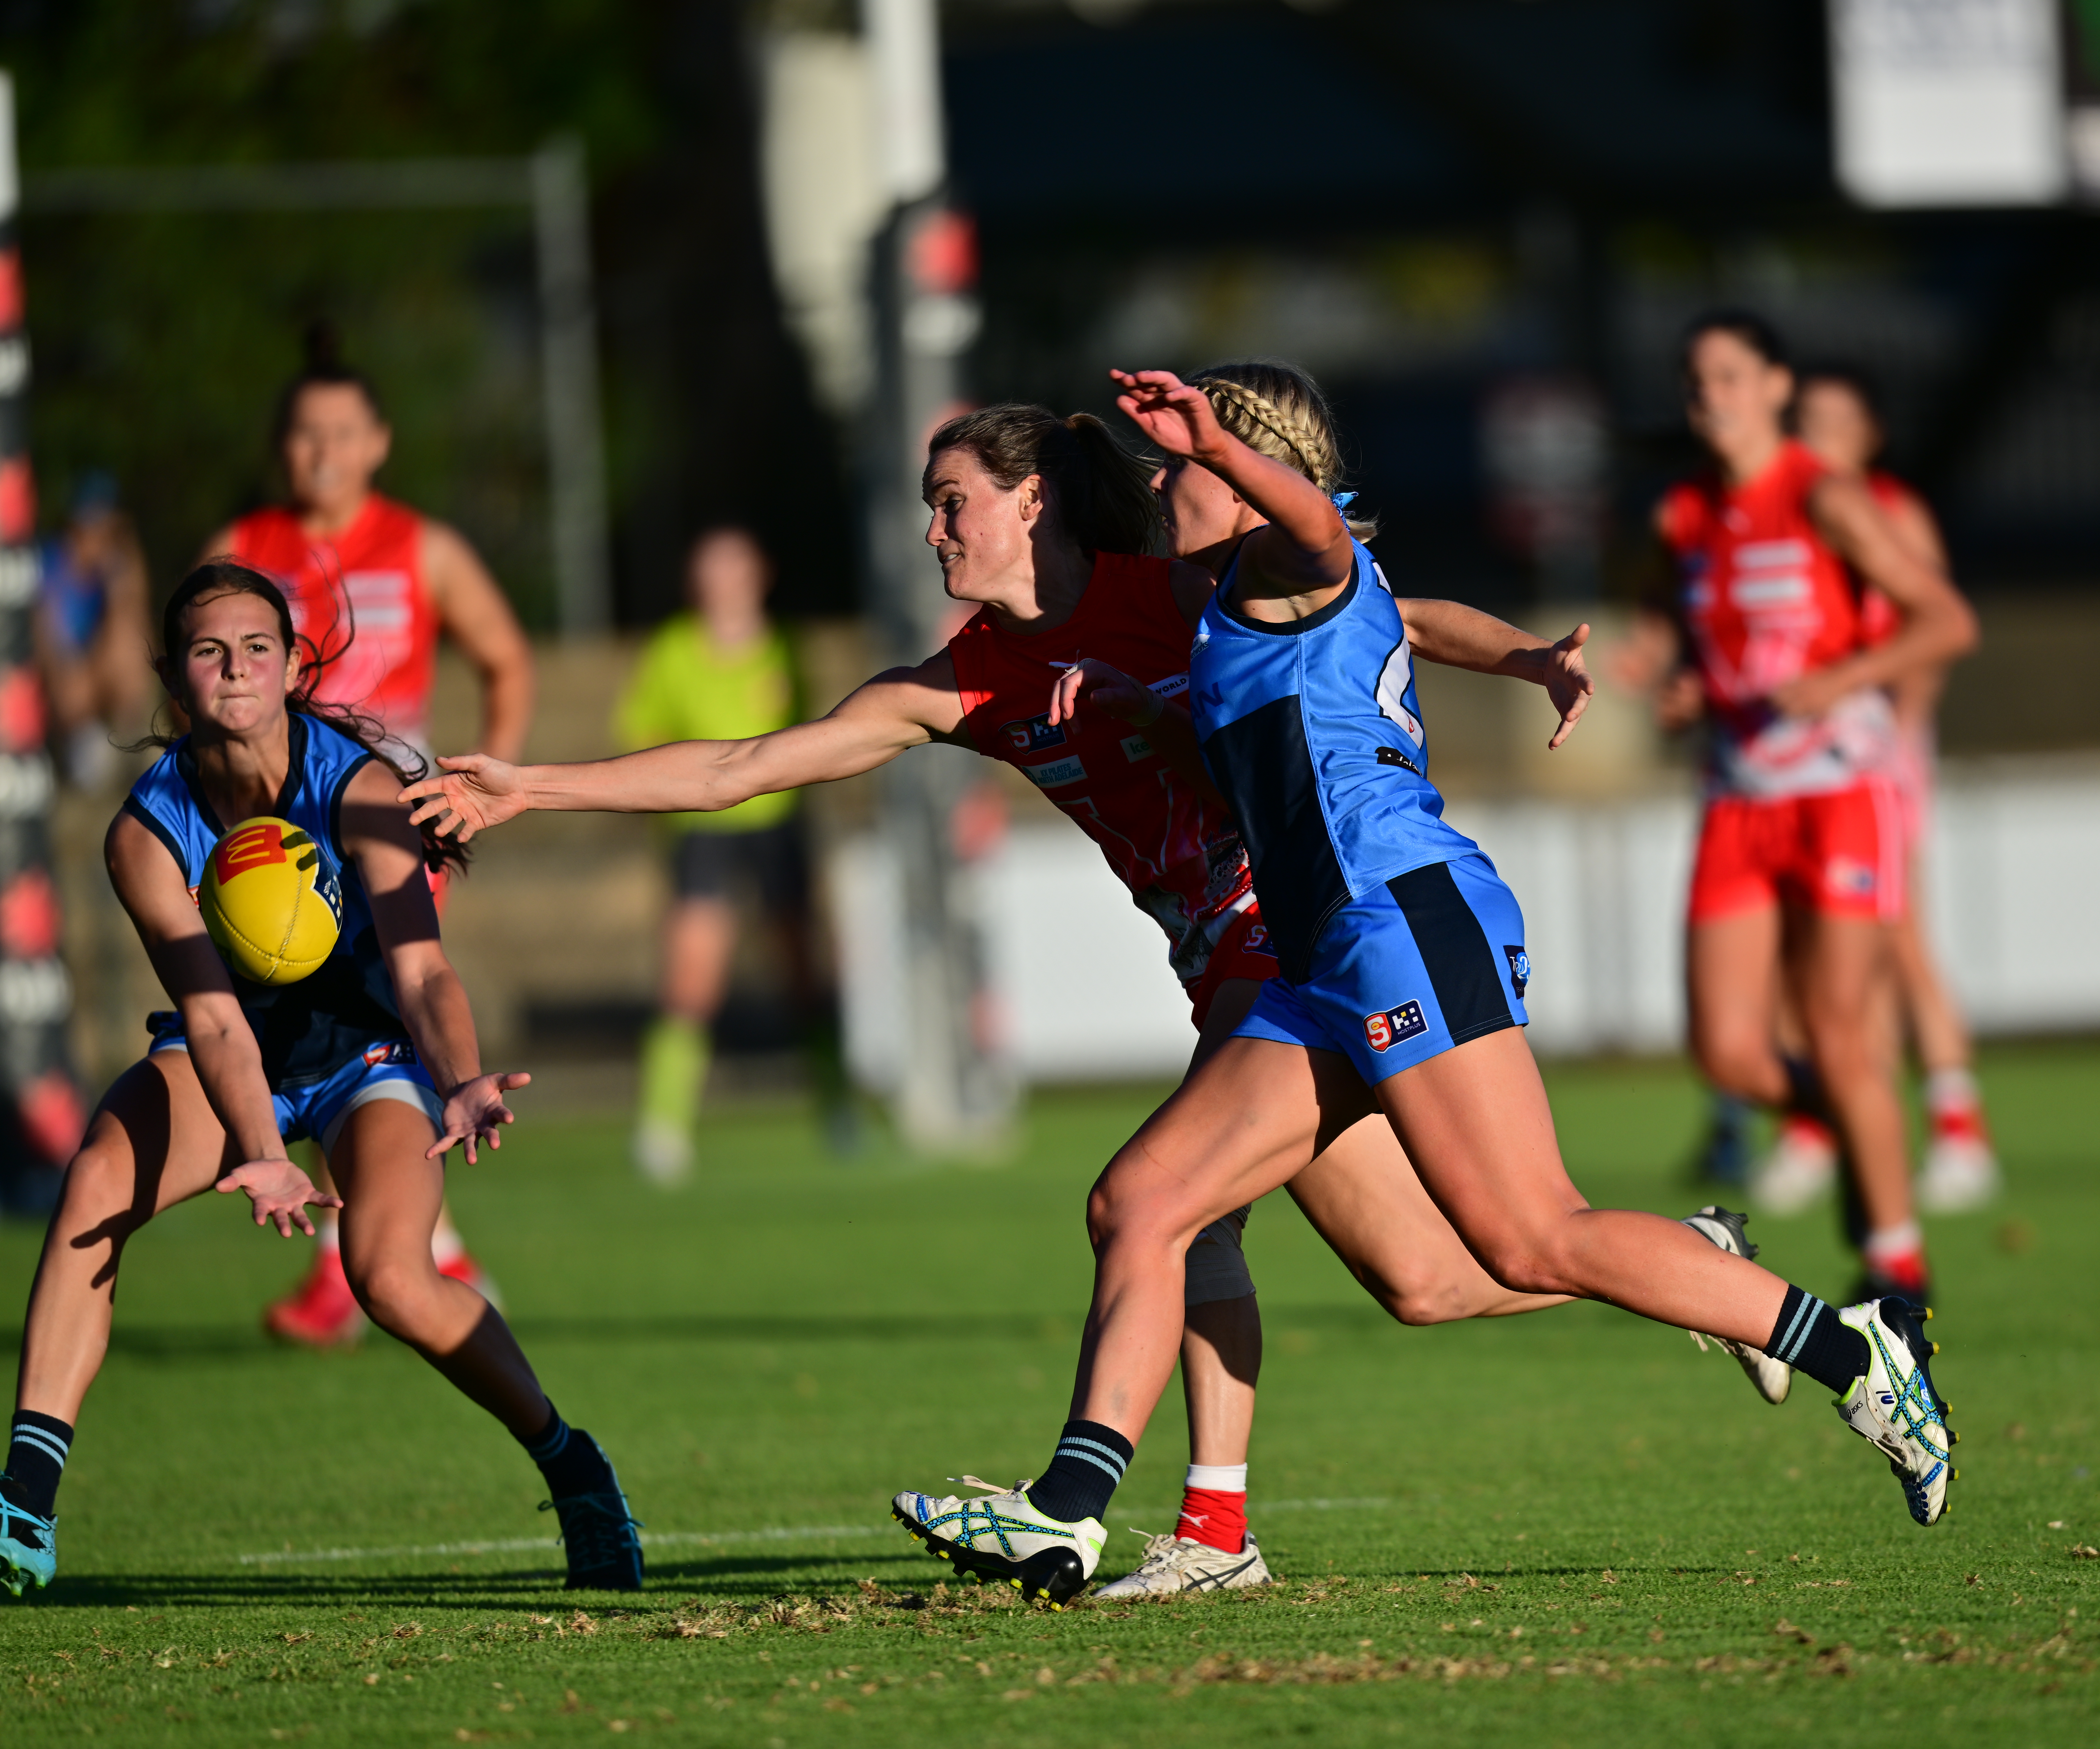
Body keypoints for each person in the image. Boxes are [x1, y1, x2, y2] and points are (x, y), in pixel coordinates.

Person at [402, 377, 1753, 1602]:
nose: (933, 532)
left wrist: (1523, 655)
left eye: (952, 505)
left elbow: (1371, 603)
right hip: (1233, 965)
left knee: (1160, 1207)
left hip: (1297, 942)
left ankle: (1135, 1516)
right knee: (1420, 1278)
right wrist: (537, 784)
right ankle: (1693, 1267)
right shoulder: (966, 683)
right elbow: (739, 766)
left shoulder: (1160, 587)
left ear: (1030, 502)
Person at [878, 366, 1955, 1606]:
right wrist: (1135, 703)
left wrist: (1219, 441)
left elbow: (1328, 536)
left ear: (1243, 475)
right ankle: (1066, 1512)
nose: (1159, 479)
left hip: (1398, 919)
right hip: (1321, 954)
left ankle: (1849, 1342)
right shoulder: (1224, 600)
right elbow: (1288, 719)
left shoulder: (1294, 566)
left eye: (1181, 465)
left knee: (1529, 1234)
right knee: (1151, 1200)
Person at [0, 562, 640, 1598]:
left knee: (388, 1277)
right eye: (208, 651)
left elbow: (423, 970)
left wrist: (463, 1081)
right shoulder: (145, 834)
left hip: (363, 1056)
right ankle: (23, 1498)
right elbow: (212, 1018)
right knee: (96, 1184)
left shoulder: (361, 788)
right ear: (173, 676)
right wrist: (258, 1151)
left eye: (257, 647)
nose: (236, 669)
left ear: (294, 662)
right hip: (227, 1052)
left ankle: (573, 1464)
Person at [205, 332, 534, 1346]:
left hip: (387, 829)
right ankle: (422, 1256)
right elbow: (191, 679)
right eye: (307, 435)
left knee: (372, 1023)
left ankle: (369, 1261)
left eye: (344, 433)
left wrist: (472, 790)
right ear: (284, 448)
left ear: (378, 442)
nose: (325, 452)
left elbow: (505, 658)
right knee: (304, 1033)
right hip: (271, 846)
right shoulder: (245, 545)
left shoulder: (422, 546)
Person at [1646, 312, 1978, 1306]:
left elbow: (1946, 619)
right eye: (1696, 379)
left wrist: (1847, 680)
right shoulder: (1683, 515)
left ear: (1774, 386)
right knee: (1725, 1048)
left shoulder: (1825, 496)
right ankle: (1864, 1124)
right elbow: (1717, 648)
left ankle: (1894, 1259)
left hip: (1840, 789)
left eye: (1732, 375)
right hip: (1737, 797)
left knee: (1838, 1029)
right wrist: (1686, 687)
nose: (1712, 395)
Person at [1792, 364, 1999, 1213]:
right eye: (1807, 419)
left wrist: (1899, 734)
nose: (1817, 435)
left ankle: (1959, 1128)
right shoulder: (1793, 510)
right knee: (1826, 963)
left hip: (1873, 755)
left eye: (1836, 421)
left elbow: (1934, 629)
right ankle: (1846, 1124)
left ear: (1871, 435)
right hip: (1803, 765)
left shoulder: (1889, 510)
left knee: (1901, 938)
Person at [615, 527, 833, 1183]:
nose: (723, 581)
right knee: (691, 978)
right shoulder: (674, 650)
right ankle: (664, 1125)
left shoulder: (785, 647)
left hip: (779, 826)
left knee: (804, 973)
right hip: (702, 830)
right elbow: (640, 731)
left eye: (734, 567)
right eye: (710, 568)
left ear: (759, 574)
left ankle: (838, 1104)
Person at [36, 472, 153, 792]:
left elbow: (139, 626)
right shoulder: (52, 564)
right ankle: (77, 743)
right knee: (70, 680)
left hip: (96, 675)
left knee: (129, 638)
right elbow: (49, 643)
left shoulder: (114, 568)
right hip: (63, 685)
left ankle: (131, 739)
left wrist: (119, 585)